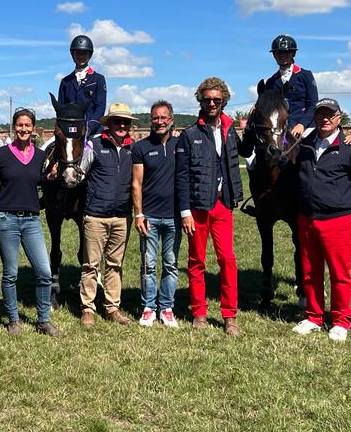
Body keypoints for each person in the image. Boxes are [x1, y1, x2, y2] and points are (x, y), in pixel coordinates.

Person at [291, 98, 351, 342]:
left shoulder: (350, 147)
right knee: (309, 270)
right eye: (320, 114)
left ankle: (341, 319)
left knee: (339, 273)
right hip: (307, 218)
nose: (325, 119)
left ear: (339, 118)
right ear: (314, 118)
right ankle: (314, 316)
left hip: (336, 219)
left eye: (330, 114)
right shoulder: (305, 143)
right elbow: (281, 145)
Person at [0, 108, 61, 337]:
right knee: (10, 273)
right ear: (14, 127)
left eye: (28, 126)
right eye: (20, 125)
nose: (24, 129)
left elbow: (40, 182)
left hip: (32, 221)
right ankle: (13, 319)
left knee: (44, 272)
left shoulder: (41, 156)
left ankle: (43, 320)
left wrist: (50, 177)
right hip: (6, 220)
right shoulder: (1, 154)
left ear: (33, 129)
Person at [175, 78, 244, 336]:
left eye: (216, 99)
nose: (212, 103)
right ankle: (199, 312)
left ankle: (229, 315)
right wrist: (185, 212)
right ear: (200, 102)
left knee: (227, 259)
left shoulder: (230, 130)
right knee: (196, 261)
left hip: (222, 205)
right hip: (197, 207)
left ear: (224, 100)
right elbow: (181, 176)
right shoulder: (189, 135)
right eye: (207, 100)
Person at [79, 102, 135, 327]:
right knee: (90, 264)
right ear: (109, 124)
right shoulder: (93, 145)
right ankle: (87, 308)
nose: (121, 125)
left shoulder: (134, 149)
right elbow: (80, 173)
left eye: (125, 122)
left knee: (115, 264)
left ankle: (112, 307)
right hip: (96, 215)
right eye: (117, 121)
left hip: (122, 215)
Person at [132, 100, 180, 328]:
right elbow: (136, 184)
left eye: (164, 118)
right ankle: (149, 307)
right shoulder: (141, 147)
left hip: (174, 216)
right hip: (149, 216)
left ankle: (167, 307)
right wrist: (139, 214)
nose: (159, 122)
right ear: (151, 120)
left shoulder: (181, 146)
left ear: (171, 120)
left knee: (170, 263)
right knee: (148, 264)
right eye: (155, 118)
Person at [265, 34, 318, 140]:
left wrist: (302, 124)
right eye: (279, 53)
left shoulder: (305, 75)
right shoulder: (271, 82)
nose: (282, 55)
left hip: (304, 127)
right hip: (280, 128)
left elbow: (313, 104)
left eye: (286, 52)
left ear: (293, 53)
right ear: (274, 55)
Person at [58, 34, 107, 135]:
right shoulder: (65, 82)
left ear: (89, 55)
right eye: (77, 53)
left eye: (84, 53)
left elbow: (100, 107)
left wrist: (89, 127)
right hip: (70, 129)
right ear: (73, 54)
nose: (80, 56)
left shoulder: (98, 79)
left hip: (92, 130)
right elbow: (61, 108)